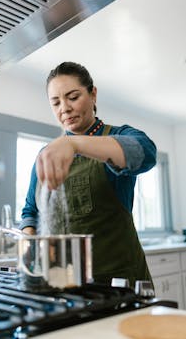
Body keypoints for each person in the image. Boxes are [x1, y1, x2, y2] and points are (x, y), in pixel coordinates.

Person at [19, 61, 157, 287]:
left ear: (93, 94)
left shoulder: (119, 135)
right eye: (55, 102)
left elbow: (145, 153)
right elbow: (30, 211)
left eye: (72, 97)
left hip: (119, 283)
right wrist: (30, 244)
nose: (64, 108)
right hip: (64, 283)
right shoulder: (47, 154)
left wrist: (74, 143)